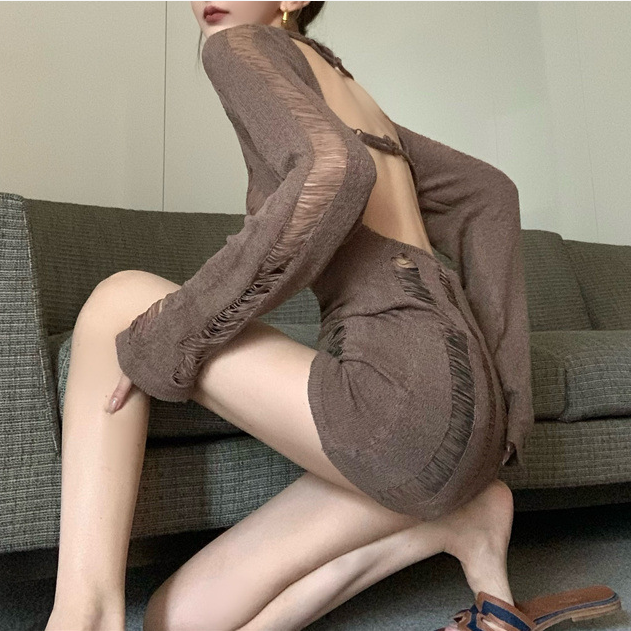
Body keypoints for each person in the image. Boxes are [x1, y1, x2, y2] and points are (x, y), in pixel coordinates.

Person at [45, 2, 621, 631]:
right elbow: (489, 196)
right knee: (174, 619)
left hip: (399, 399)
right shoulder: (345, 88)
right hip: (467, 419)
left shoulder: (235, 44)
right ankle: (459, 520)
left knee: (116, 304)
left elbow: (332, 170)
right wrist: (509, 406)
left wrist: (169, 340)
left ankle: (83, 616)